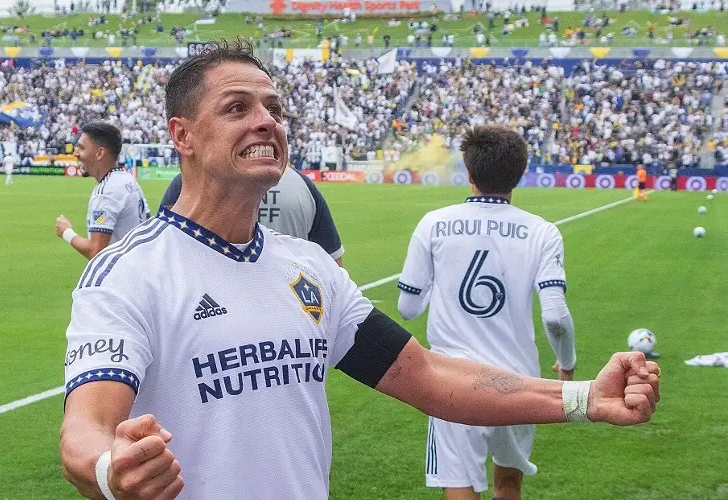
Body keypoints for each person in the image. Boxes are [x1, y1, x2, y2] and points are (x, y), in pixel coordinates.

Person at [59, 39, 660, 500]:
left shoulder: (307, 267)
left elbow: (425, 376)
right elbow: (85, 428)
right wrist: (112, 471)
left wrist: (583, 397)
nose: (266, 120)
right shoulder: (129, 272)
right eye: (237, 108)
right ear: (181, 135)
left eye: (273, 107)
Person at [397, 125, 577, 500]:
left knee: (460, 485)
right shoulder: (543, 232)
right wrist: (567, 365)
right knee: (508, 483)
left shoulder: (433, 223)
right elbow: (556, 316)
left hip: (453, 379)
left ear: (469, 171)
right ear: (521, 172)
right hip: (519, 379)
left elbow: (408, 308)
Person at [161, 168, 344, 265]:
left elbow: (161, 250)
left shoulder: (188, 182)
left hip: (210, 310)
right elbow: (334, 262)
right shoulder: (303, 185)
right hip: (293, 306)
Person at [55, 121, 151, 260]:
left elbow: (96, 251)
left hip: (121, 274)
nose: (76, 153)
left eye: (81, 148)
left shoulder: (107, 192)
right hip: (137, 267)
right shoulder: (128, 180)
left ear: (100, 153)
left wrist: (66, 232)